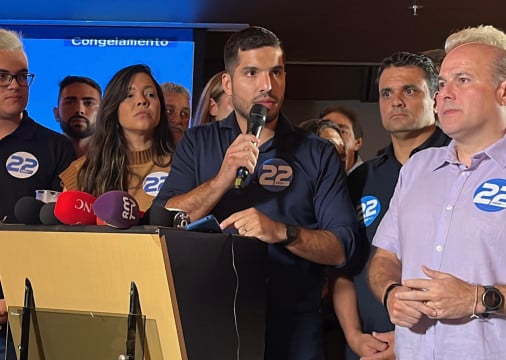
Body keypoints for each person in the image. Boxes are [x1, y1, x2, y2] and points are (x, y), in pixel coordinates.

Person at [154, 26, 358, 359]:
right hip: (210, 321)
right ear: (227, 84)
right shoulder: (197, 142)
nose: (267, 85)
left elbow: (342, 248)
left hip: (294, 328)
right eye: (252, 73)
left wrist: (280, 231)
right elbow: (164, 218)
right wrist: (222, 178)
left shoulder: (317, 153)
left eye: (276, 72)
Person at [368, 26, 506, 359]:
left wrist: (477, 298)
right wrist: (391, 294)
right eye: (442, 84)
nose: (443, 94)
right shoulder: (417, 168)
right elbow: (385, 258)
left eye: (462, 80)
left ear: (503, 93)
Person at [332, 51, 450, 360]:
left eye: (409, 91)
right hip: (367, 348)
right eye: (387, 93)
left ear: (436, 98)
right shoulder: (361, 179)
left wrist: (409, 341)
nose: (396, 101)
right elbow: (344, 271)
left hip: (438, 344)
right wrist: (355, 337)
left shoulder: (460, 165)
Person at [0, 28, 75, 359]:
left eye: (20, 76)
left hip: (26, 307)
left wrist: (15, 295)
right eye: (3, 76)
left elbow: (65, 236)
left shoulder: (55, 147)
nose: (14, 85)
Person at [60, 64, 174, 211]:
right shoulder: (83, 171)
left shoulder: (182, 166)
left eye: (151, 94)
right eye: (129, 95)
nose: (142, 101)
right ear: (113, 108)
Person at [53, 75, 102, 157]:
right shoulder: (42, 157)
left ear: (103, 114)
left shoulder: (120, 159)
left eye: (89, 103)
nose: (79, 110)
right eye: (70, 102)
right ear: (57, 113)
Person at [319, 105, 364, 173]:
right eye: (325, 131)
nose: (333, 138)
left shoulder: (372, 179)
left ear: (357, 143)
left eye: (342, 131)